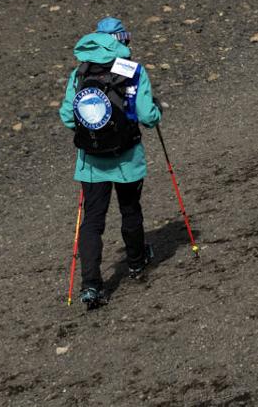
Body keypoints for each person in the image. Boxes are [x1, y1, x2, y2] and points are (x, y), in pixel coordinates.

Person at [60, 16, 161, 308]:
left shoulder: (80, 72)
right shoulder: (133, 70)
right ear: (121, 39)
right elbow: (146, 115)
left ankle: (91, 285)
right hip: (127, 156)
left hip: (91, 161)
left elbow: (68, 116)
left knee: (92, 221)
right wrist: (157, 113)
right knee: (130, 210)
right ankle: (136, 262)